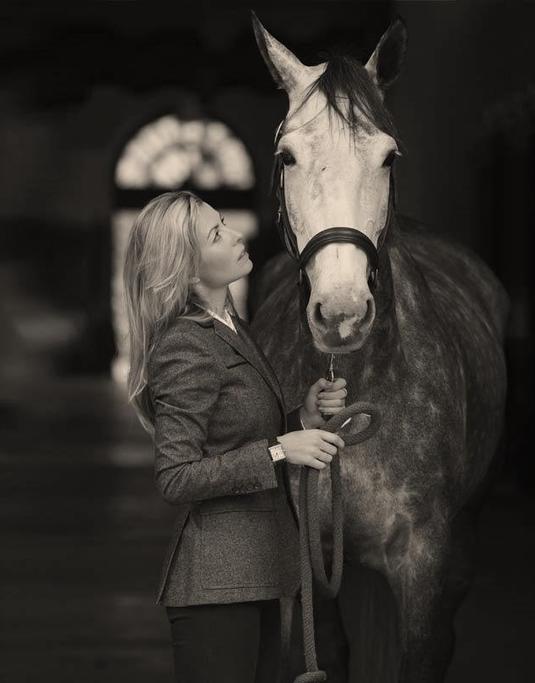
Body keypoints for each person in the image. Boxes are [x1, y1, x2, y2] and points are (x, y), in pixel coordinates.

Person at [122, 190, 348, 683]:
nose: (236, 234)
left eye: (223, 222)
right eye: (216, 234)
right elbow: (176, 478)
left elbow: (235, 435)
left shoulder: (230, 327)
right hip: (215, 587)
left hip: (257, 573)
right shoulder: (186, 343)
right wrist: (279, 451)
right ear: (184, 269)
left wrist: (301, 419)